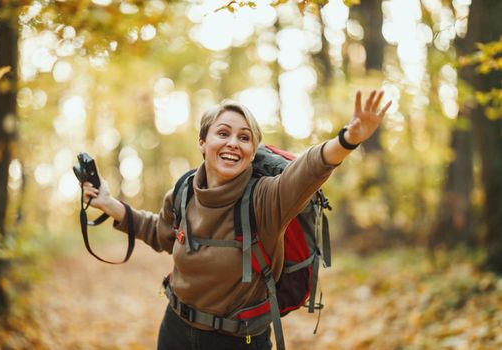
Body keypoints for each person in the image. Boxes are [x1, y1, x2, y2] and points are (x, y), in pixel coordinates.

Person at [82, 90, 391, 350]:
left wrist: (348, 139)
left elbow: (308, 169)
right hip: (175, 328)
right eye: (223, 133)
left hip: (238, 340)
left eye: (244, 137)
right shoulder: (184, 190)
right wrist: (108, 204)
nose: (233, 143)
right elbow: (158, 231)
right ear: (203, 143)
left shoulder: (267, 198)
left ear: (252, 150)